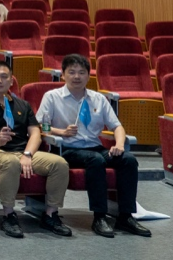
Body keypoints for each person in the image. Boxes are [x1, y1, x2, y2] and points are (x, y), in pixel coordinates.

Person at [35, 53, 150, 238]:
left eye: (82, 72)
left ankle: (126, 216)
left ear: (89, 76)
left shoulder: (98, 98)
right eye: (72, 72)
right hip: (66, 148)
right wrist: (61, 132)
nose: (77, 76)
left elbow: (117, 126)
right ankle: (99, 216)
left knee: (128, 160)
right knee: (95, 160)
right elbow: (41, 126)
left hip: (94, 147)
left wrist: (120, 144)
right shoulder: (52, 97)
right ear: (63, 74)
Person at [0, 61, 71, 238]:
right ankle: (9, 215)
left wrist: (28, 154)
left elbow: (36, 133)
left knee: (59, 163)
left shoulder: (23, 105)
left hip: (23, 151)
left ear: (11, 81)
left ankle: (50, 214)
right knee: (11, 162)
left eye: (4, 77)